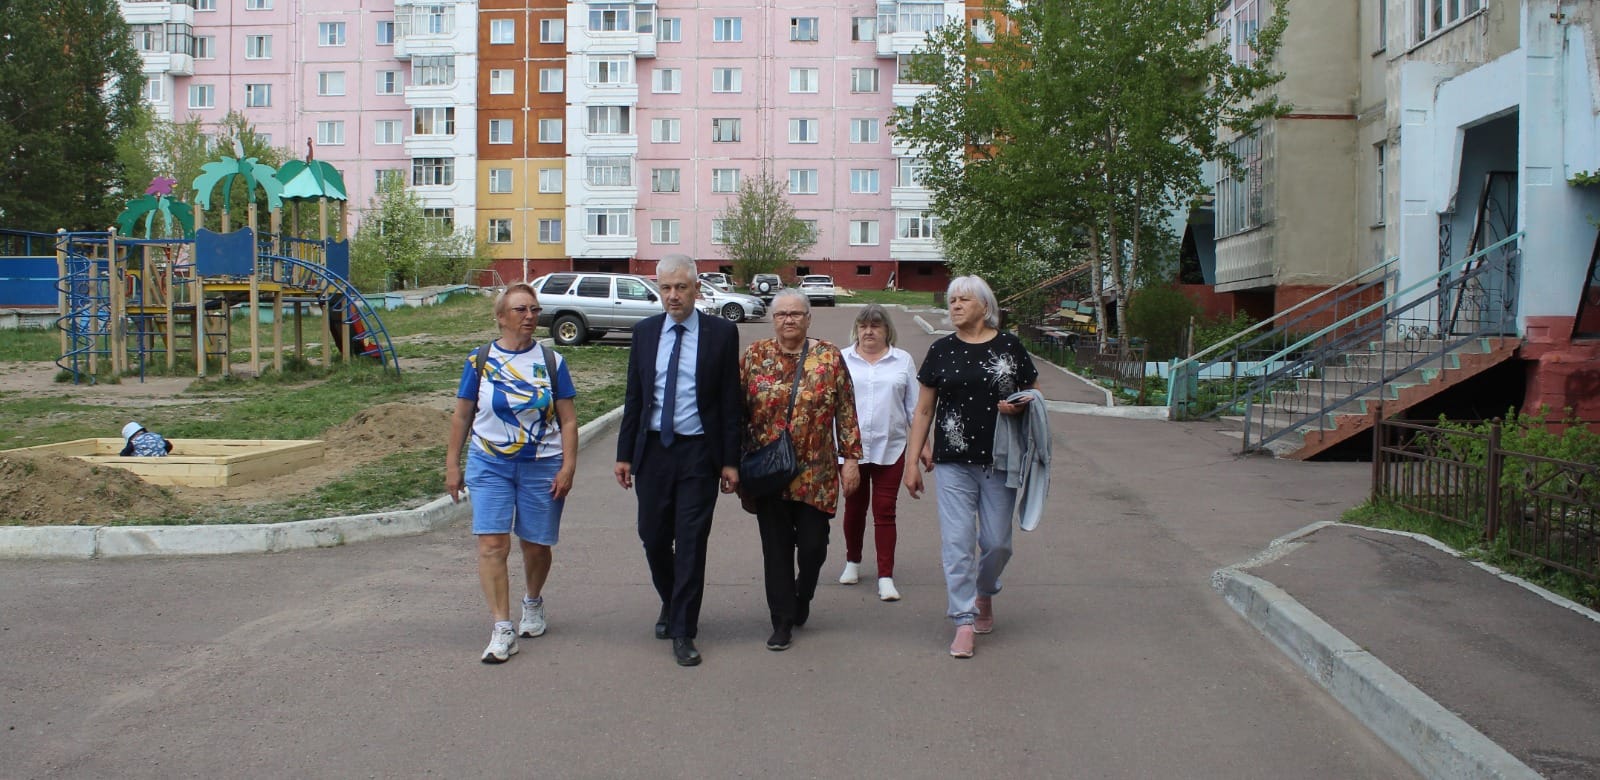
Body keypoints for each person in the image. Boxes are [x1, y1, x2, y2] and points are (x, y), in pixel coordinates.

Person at [614, 254, 743, 668]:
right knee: (652, 536)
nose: (673, 296)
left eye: (681, 288)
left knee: (690, 541)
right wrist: (624, 454)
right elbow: (635, 396)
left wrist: (730, 461)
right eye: (665, 288)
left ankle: (684, 628)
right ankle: (671, 601)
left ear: (696, 290)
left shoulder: (721, 334)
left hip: (698, 453)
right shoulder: (645, 332)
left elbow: (730, 400)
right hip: (653, 450)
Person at [904, 275, 1039, 660]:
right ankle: (963, 619)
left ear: (985, 305)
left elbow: (1035, 394)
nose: (956, 305)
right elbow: (924, 410)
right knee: (957, 543)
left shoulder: (1009, 346)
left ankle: (984, 591)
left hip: (1001, 460)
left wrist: (1020, 405)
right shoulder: (941, 349)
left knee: (997, 543)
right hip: (953, 462)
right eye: (952, 300)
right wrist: (912, 462)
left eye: (964, 299)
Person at [445, 283, 578, 665]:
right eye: (521, 310)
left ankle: (532, 601)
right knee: (492, 544)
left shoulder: (551, 362)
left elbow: (568, 421)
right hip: (490, 463)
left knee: (536, 544)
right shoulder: (480, 360)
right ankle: (502, 628)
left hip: (542, 464)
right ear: (501, 317)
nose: (530, 316)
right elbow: (462, 415)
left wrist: (568, 466)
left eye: (534, 309)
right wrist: (452, 464)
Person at [740, 290, 863, 652]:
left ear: (809, 318)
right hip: (768, 473)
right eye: (781, 314)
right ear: (773, 319)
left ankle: (803, 591)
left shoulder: (828, 357)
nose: (788, 320)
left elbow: (846, 409)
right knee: (776, 550)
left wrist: (851, 459)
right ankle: (781, 620)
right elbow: (735, 410)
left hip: (816, 473)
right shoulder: (755, 356)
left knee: (813, 546)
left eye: (795, 314)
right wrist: (734, 461)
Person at [837, 304, 920, 602]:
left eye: (875, 326)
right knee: (854, 507)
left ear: (887, 330)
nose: (869, 331)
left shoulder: (902, 360)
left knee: (885, 510)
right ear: (856, 330)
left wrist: (923, 445)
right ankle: (853, 561)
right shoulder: (842, 359)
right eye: (863, 326)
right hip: (851, 450)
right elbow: (833, 405)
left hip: (890, 446)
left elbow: (914, 408)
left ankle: (886, 577)